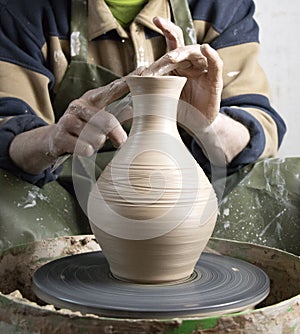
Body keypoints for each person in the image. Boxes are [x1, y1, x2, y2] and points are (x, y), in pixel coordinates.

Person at [0, 0, 298, 254]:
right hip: (68, 192)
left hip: (192, 191)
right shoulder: (23, 9)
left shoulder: (217, 6)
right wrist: (51, 139)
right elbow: (9, 127)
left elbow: (260, 121)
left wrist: (207, 124)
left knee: (293, 186)